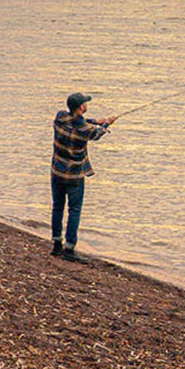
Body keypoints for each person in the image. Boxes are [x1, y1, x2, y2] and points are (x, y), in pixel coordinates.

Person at [50, 92, 114, 263]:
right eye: (85, 103)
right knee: (74, 210)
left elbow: (79, 121)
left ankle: (57, 245)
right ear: (81, 107)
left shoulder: (60, 117)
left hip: (56, 171)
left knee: (57, 207)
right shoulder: (85, 131)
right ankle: (69, 248)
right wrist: (106, 123)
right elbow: (98, 134)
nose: (87, 105)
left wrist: (95, 120)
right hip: (74, 176)